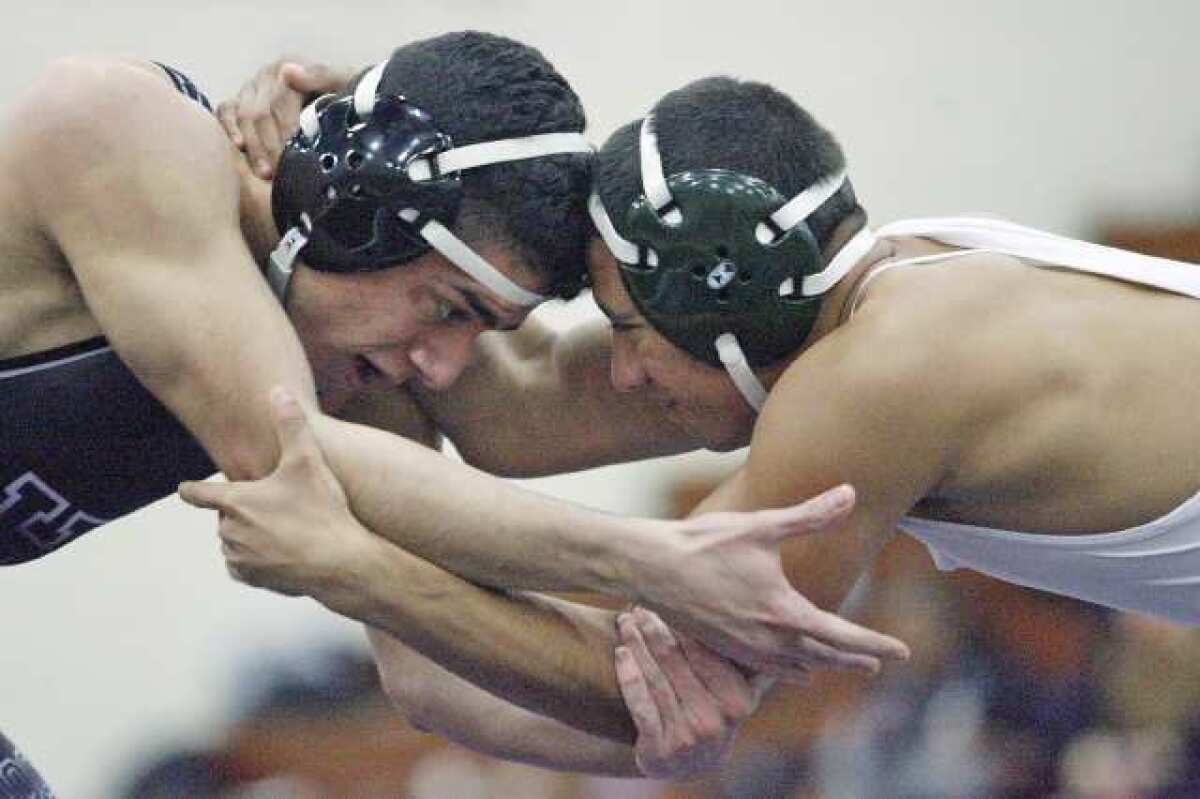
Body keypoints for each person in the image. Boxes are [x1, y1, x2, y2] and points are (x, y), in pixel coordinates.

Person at [199, 70, 1200, 778]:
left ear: (730, 316)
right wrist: (359, 192)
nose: (623, 369)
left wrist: (343, 562)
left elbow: (636, 686)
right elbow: (519, 412)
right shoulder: (893, 285)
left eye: (629, 329)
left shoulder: (879, 379)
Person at [0, 36, 905, 791]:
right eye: (447, 307)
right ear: (351, 211)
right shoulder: (117, 129)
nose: (440, 363)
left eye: (481, 331)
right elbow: (295, 455)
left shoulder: (352, 367)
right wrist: (655, 559)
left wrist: (652, 735)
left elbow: (431, 676)